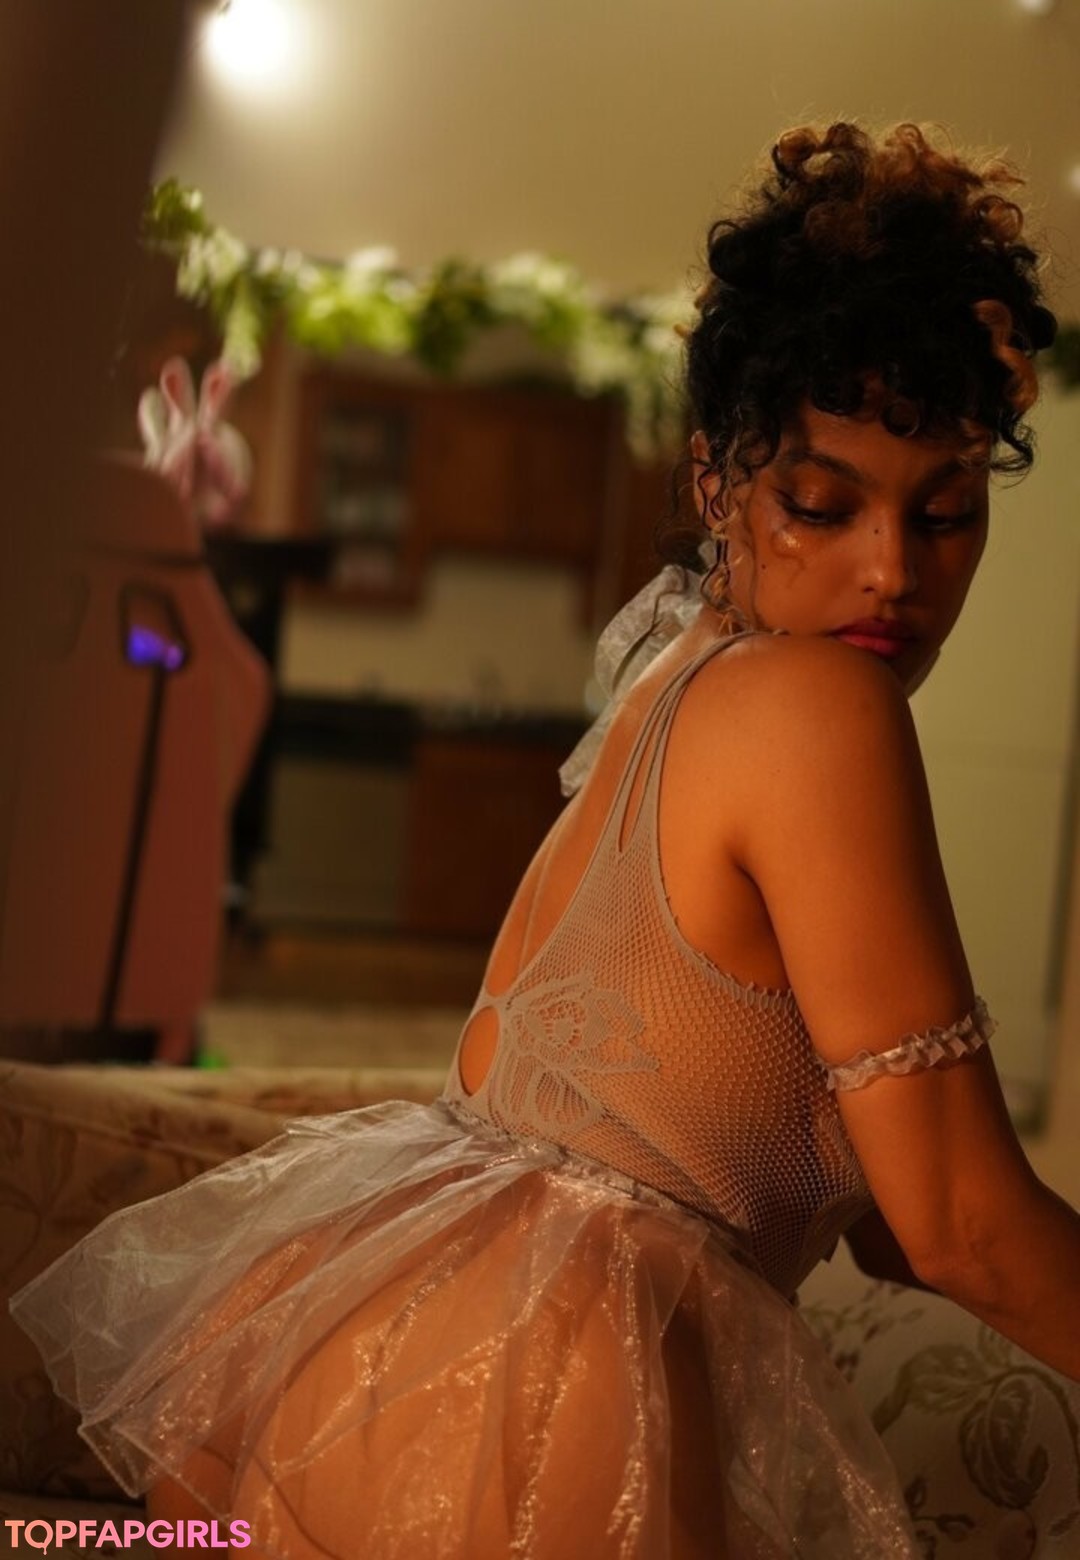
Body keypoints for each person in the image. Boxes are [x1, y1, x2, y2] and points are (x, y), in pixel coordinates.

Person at [11, 121, 1080, 1559]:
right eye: (821, 506)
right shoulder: (819, 707)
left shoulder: (677, 677)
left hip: (368, 1365)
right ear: (714, 483)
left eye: (945, 513)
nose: (891, 570)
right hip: (542, 1400)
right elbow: (958, 1220)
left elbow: (899, 1219)